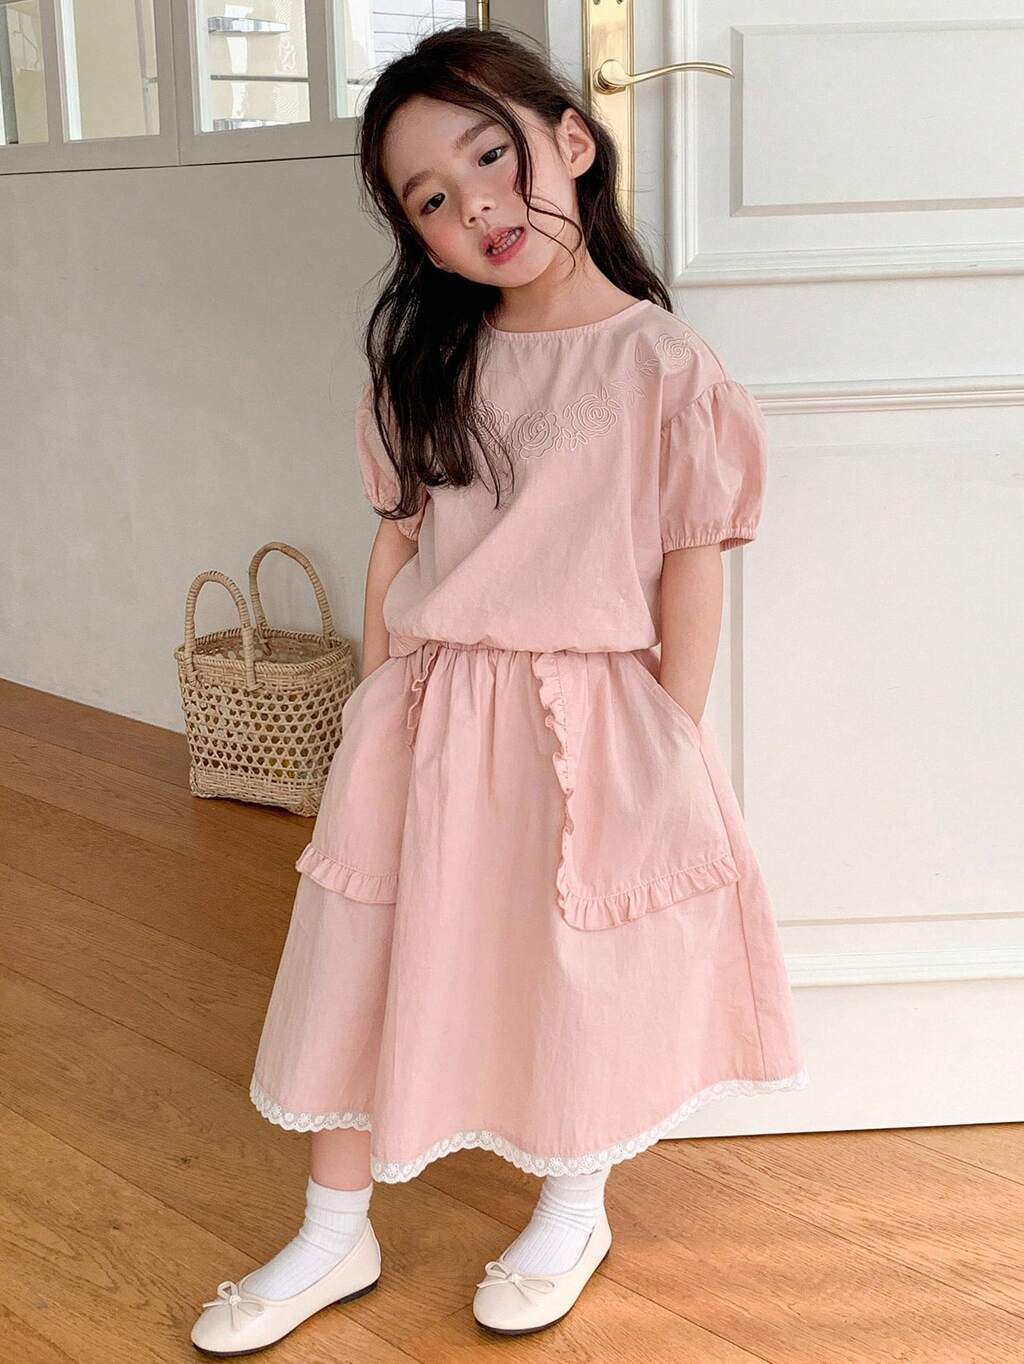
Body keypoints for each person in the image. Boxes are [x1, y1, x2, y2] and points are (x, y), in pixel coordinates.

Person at [190, 22, 808, 1354]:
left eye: (492, 155)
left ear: (571, 142)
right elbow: (397, 545)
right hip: (426, 710)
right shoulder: (428, 366)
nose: (474, 205)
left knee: (569, 961)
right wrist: (374, 700)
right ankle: (334, 1232)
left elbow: (692, 567)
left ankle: (572, 1207)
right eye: (430, 198)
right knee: (363, 954)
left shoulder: (663, 367)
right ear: (417, 239)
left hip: (587, 718)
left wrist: (666, 733)